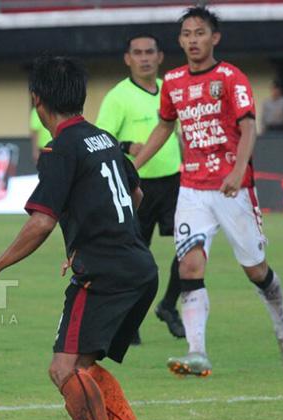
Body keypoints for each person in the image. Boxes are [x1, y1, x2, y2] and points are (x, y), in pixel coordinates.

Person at [0, 56, 156, 420]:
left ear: (37, 101)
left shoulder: (58, 150)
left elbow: (41, 221)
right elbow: (136, 194)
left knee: (63, 368)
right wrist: (92, 238)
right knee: (82, 364)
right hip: (139, 265)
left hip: (103, 274)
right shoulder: (103, 139)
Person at [133, 6, 283, 376]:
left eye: (200, 33)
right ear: (180, 41)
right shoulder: (173, 81)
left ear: (214, 38)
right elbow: (164, 127)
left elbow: (249, 127)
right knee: (189, 265)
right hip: (192, 189)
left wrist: (238, 171)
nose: (193, 40)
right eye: (187, 34)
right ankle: (197, 352)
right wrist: (136, 163)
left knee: (256, 271)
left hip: (232, 190)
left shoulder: (230, 78)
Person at [96, 33, 186, 342]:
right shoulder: (118, 96)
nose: (145, 57)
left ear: (160, 57)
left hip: (175, 181)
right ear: (128, 59)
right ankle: (129, 319)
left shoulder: (171, 89)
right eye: (138, 52)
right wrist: (125, 145)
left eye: (150, 52)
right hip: (137, 185)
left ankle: (169, 305)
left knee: (190, 248)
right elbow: (101, 139)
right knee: (136, 258)